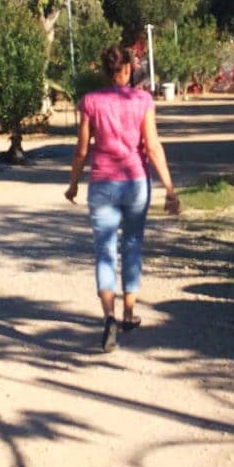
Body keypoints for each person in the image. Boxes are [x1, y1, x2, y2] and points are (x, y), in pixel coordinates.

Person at [65, 45, 180, 352]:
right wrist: (169, 189)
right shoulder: (143, 100)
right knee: (132, 246)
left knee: (104, 250)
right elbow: (153, 146)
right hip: (135, 183)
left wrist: (73, 184)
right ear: (128, 70)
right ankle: (129, 313)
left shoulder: (90, 101)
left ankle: (109, 317)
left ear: (104, 71)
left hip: (102, 184)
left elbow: (81, 151)